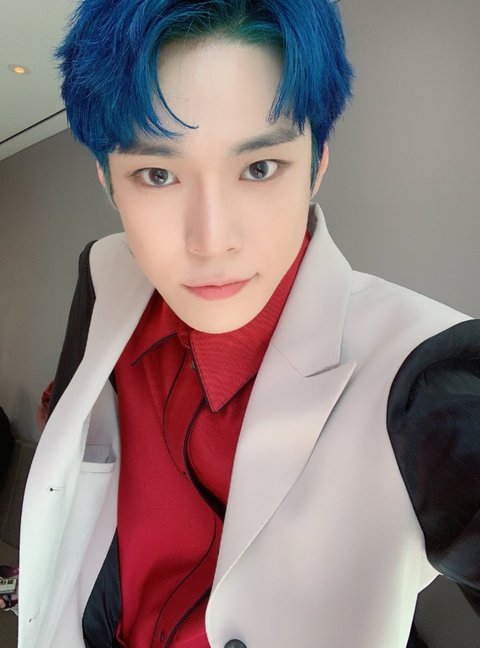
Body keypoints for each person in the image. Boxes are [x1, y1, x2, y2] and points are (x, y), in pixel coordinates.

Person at [18, 1, 480, 647]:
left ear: (317, 164)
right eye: (157, 174)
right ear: (108, 181)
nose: (212, 241)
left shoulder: (430, 376)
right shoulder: (103, 275)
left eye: (260, 168)